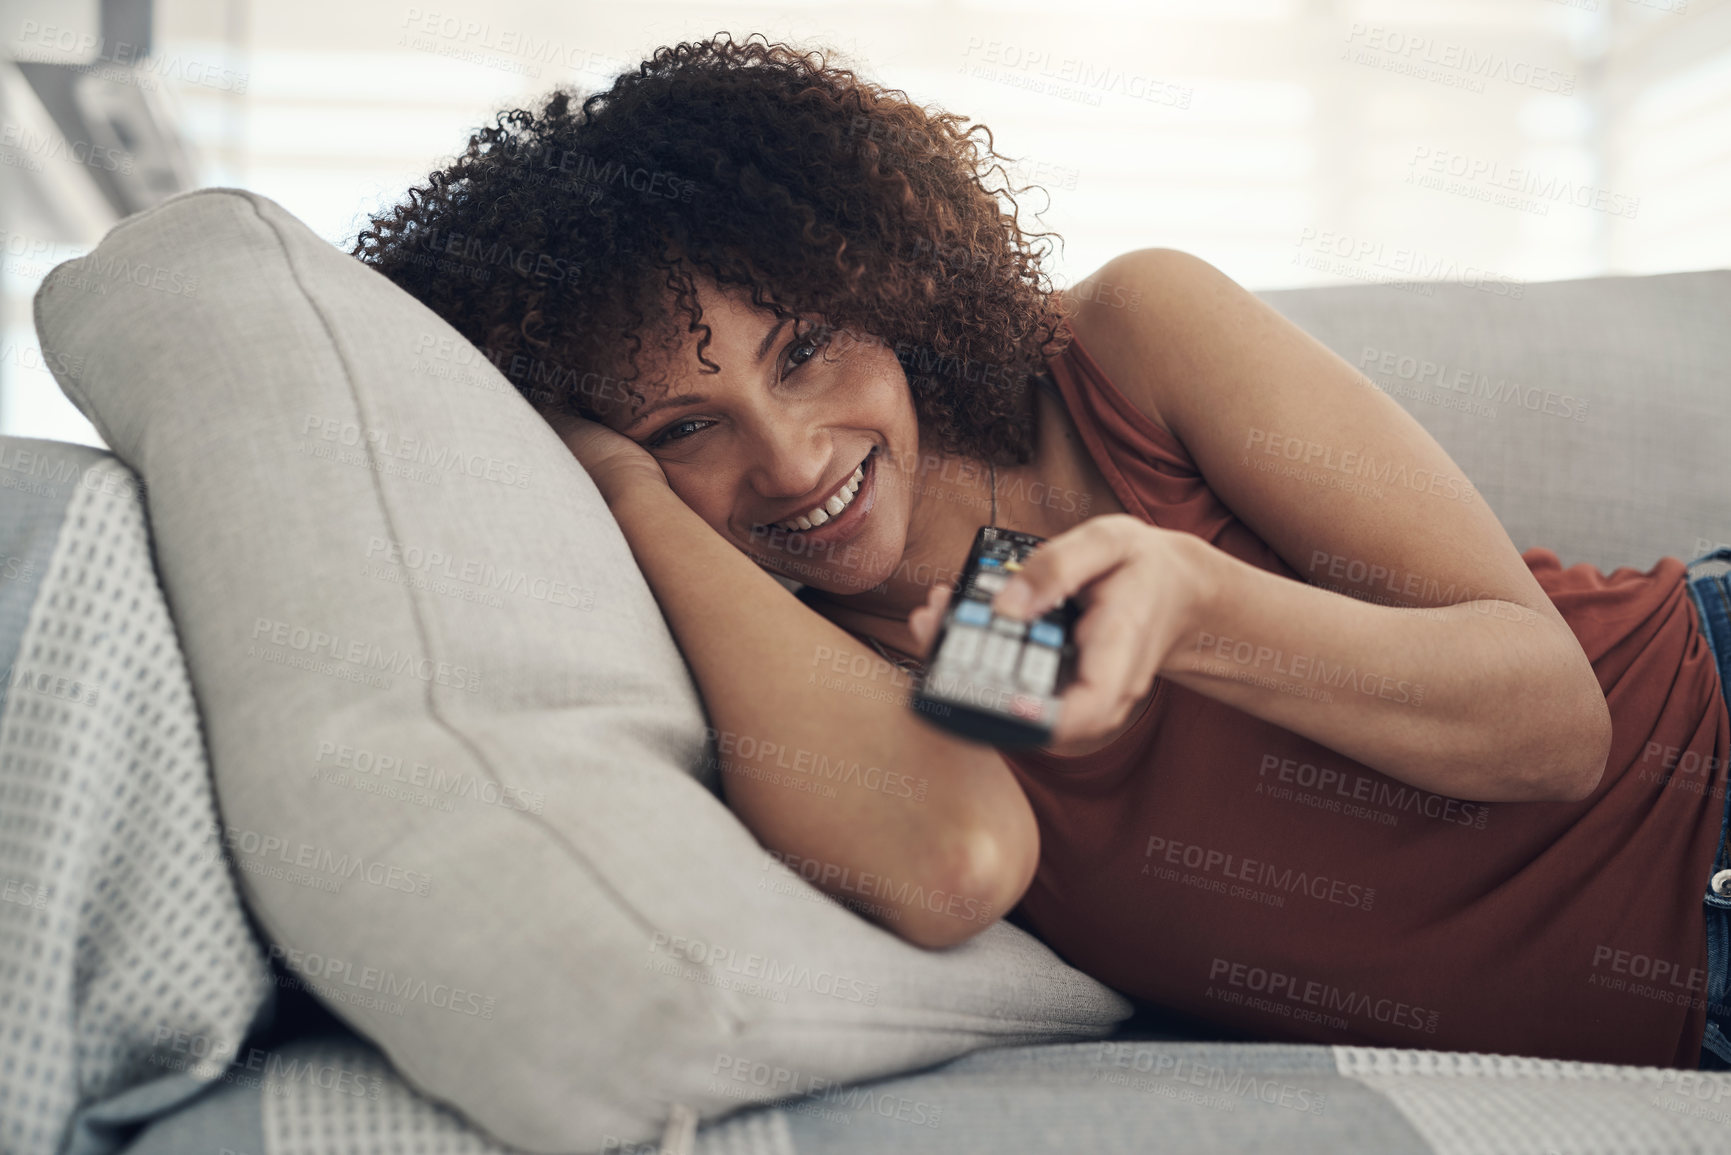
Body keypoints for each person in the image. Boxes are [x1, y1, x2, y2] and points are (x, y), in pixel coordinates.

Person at [352, 32, 1731, 1070]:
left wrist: (1188, 602)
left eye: (807, 348)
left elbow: (1550, 723)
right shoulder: (788, 644)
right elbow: (953, 865)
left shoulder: (1127, 347)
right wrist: (628, 493)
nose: (790, 459)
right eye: (687, 425)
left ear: (883, 286)